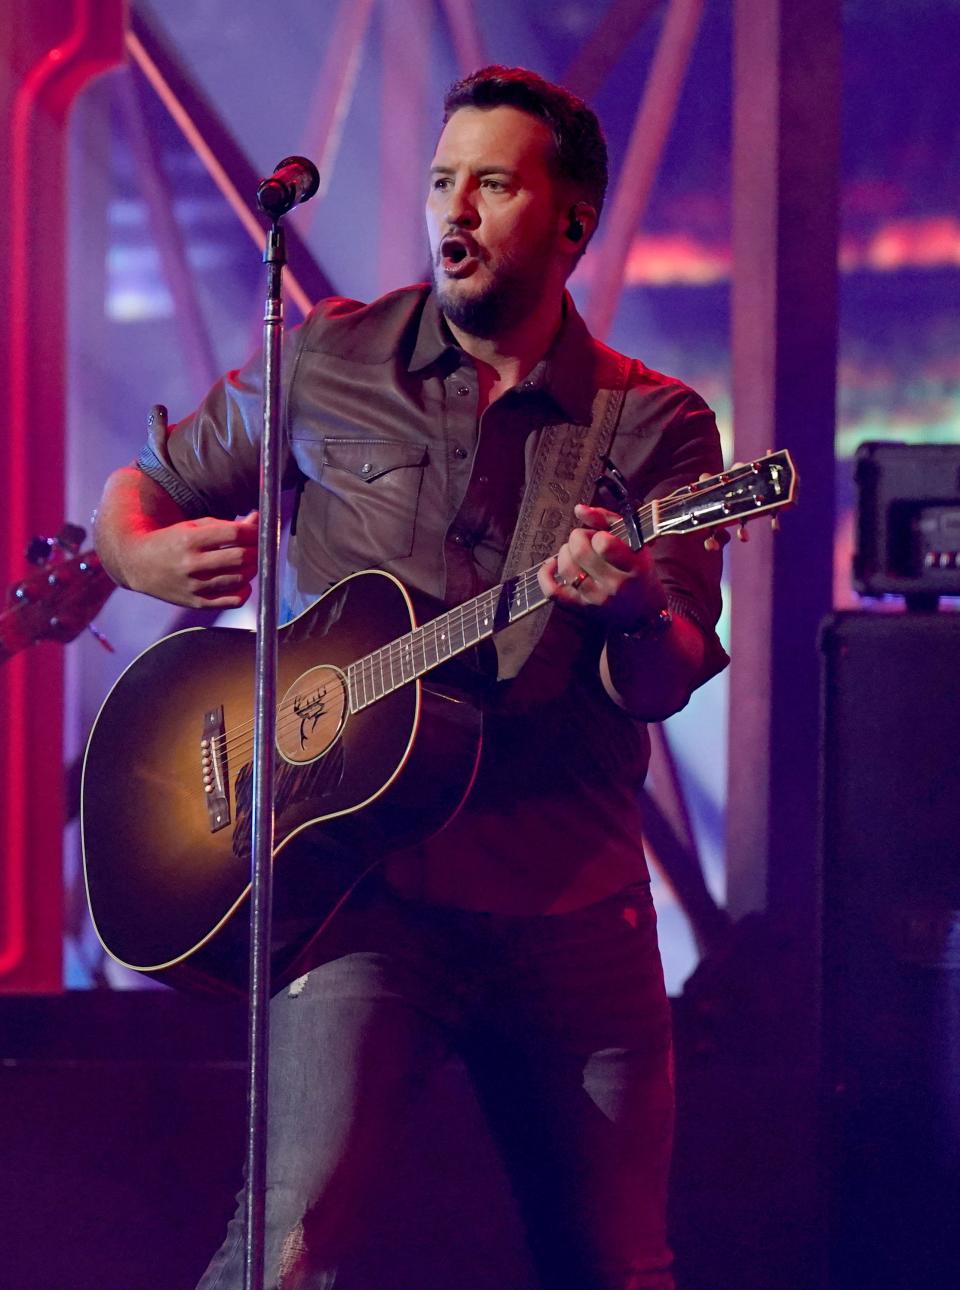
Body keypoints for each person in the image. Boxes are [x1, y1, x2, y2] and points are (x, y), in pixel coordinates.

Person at [95, 65, 728, 1290]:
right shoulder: (328, 353)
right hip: (359, 898)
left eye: (494, 184)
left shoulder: (655, 426)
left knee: (616, 1269)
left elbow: (668, 678)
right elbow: (146, 487)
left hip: (571, 914)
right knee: (281, 1264)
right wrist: (137, 550)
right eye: (445, 181)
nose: (457, 210)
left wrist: (636, 603)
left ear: (571, 222)